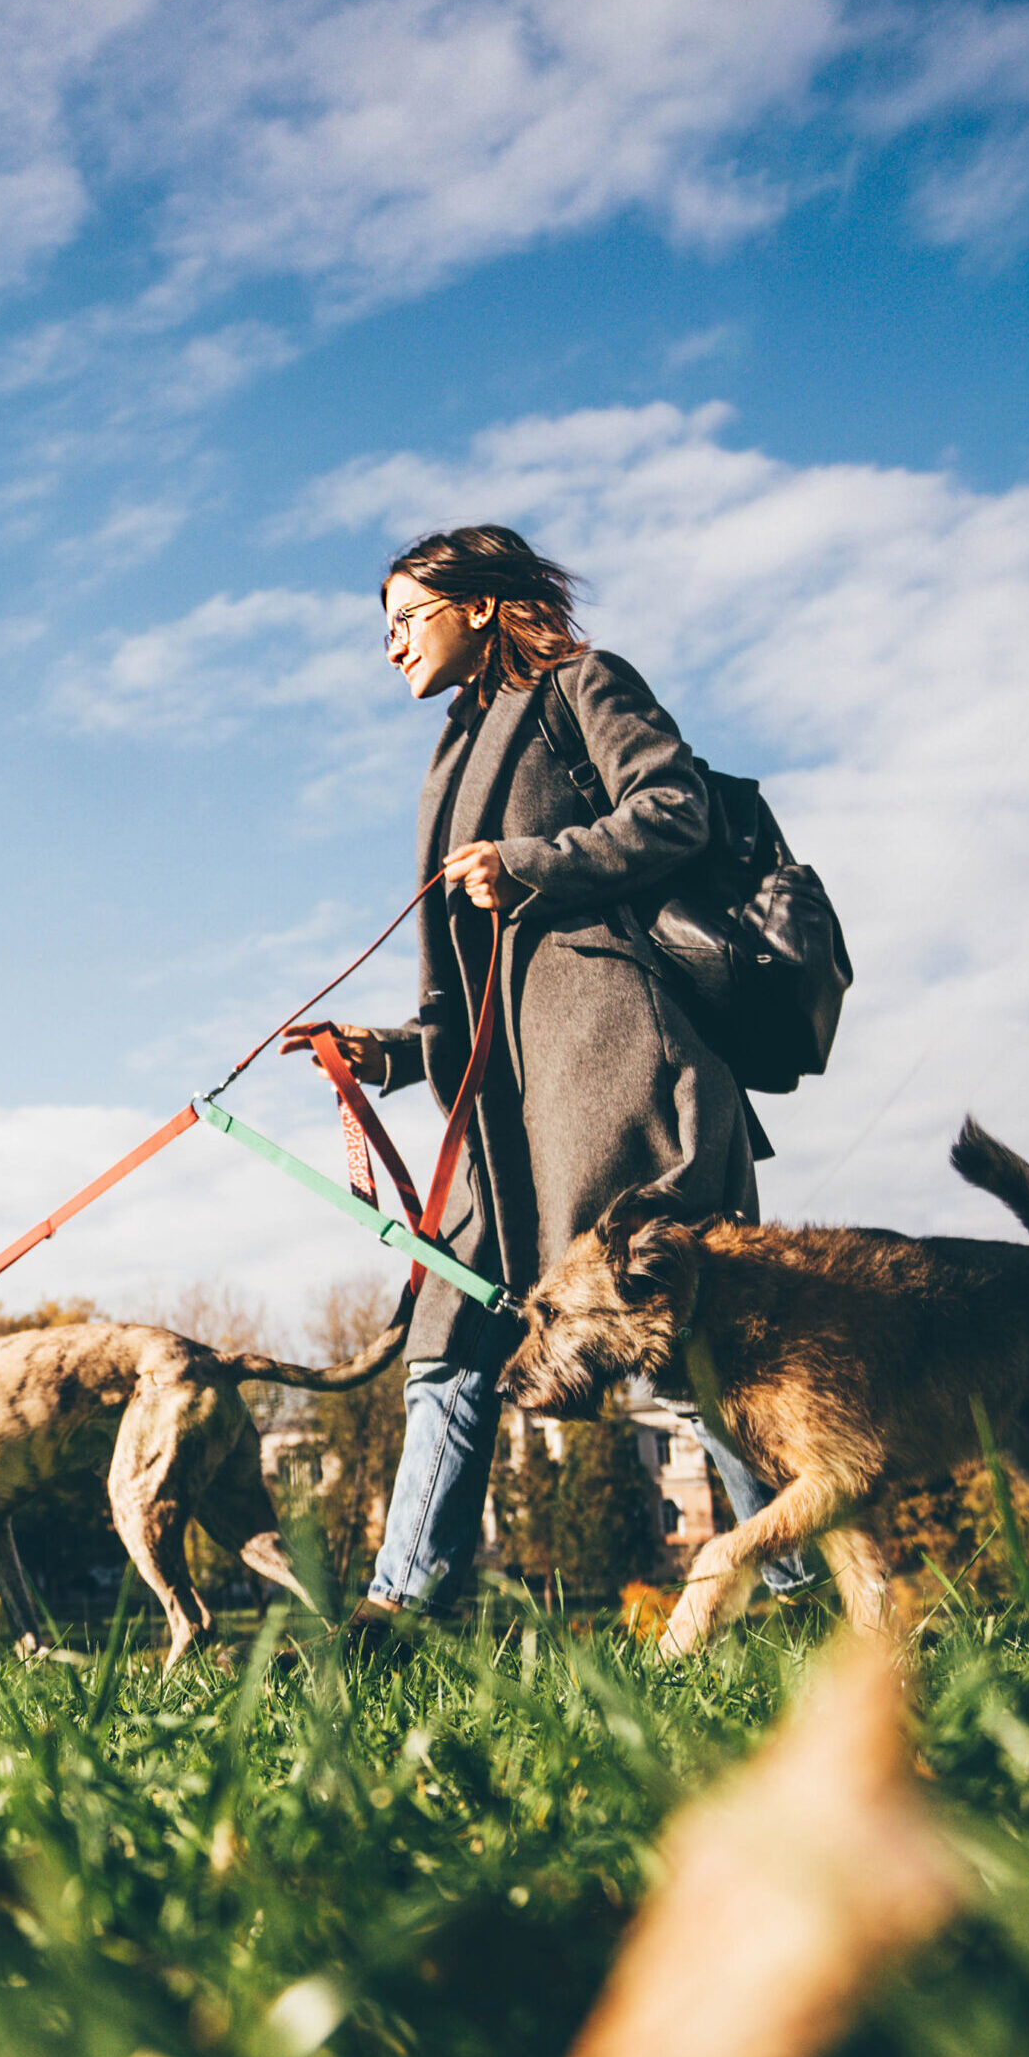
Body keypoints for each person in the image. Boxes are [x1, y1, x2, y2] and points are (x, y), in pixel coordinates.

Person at [281, 524, 767, 1627]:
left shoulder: (580, 684)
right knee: (447, 1349)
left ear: (484, 606)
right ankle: (395, 1616)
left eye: (409, 616)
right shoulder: (451, 753)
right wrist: (391, 1053)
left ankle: (793, 1588)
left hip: (612, 1077)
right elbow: (477, 983)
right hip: (497, 1123)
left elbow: (675, 805)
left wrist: (532, 863)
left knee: (686, 1344)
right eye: (388, 626)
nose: (393, 644)